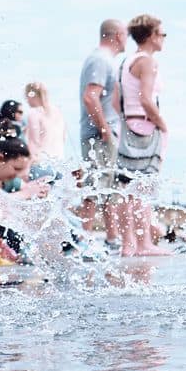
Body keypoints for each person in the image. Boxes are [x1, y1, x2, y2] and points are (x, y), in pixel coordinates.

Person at [114, 14, 172, 257]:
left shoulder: (126, 62)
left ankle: (128, 244)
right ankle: (144, 244)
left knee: (126, 188)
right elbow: (146, 100)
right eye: (162, 33)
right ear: (151, 36)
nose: (164, 38)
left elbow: (116, 101)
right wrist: (162, 125)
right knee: (144, 187)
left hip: (127, 127)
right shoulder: (148, 62)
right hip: (146, 128)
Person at [78, 18, 127, 247]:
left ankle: (112, 238)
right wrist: (105, 129)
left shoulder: (104, 60)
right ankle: (83, 240)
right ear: (118, 35)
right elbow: (90, 97)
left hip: (103, 133)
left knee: (108, 187)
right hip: (98, 135)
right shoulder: (100, 59)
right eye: (126, 35)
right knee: (94, 184)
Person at [24, 82, 67, 164]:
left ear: (31, 95)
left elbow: (33, 142)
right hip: (60, 162)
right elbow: (63, 138)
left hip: (41, 162)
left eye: (26, 96)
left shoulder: (34, 113)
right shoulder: (57, 111)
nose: (26, 100)